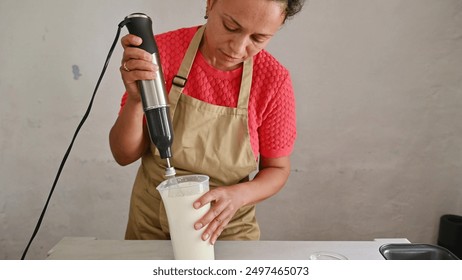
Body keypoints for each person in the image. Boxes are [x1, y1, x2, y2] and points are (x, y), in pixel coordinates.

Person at [109, 0, 304, 245]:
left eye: (258, 38)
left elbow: (277, 169)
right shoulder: (161, 54)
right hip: (151, 226)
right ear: (211, 4)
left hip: (227, 232)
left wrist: (239, 195)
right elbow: (123, 155)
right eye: (231, 26)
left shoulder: (273, 80)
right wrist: (136, 102)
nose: (238, 47)